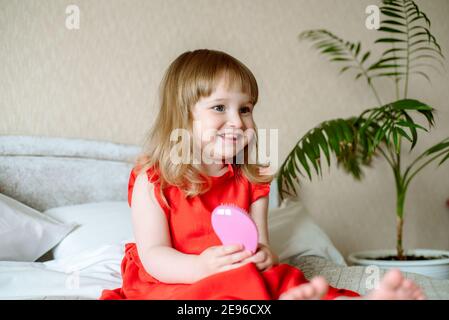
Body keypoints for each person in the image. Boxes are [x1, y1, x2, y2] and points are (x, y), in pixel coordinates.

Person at [100, 49, 425, 300]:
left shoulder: (252, 180)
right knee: (216, 295)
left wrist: (264, 256)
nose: (238, 122)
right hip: (176, 279)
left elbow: (264, 247)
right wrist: (200, 267)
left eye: (245, 109)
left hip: (238, 274)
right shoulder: (153, 179)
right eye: (219, 108)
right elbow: (154, 254)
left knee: (282, 277)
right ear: (183, 116)